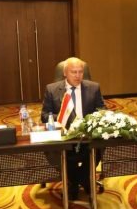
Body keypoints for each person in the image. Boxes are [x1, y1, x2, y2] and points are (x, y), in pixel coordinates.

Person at [41, 57, 104, 200]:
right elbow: (44, 116)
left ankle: (75, 181)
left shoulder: (94, 88)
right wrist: (63, 117)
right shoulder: (52, 89)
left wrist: (91, 122)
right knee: (55, 151)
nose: (77, 75)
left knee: (100, 145)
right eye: (73, 72)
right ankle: (83, 180)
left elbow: (102, 110)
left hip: (87, 134)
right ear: (65, 73)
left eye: (80, 72)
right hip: (65, 136)